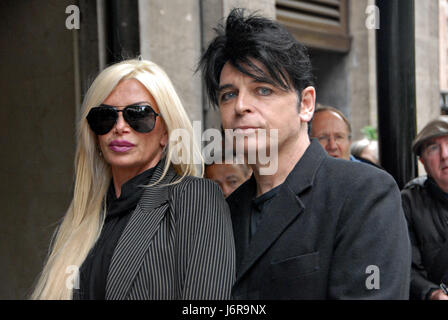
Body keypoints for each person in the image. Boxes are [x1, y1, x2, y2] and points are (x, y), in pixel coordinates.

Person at [199, 8, 411, 299]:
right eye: (228, 95)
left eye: (263, 90)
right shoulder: (225, 211)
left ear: (306, 104)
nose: (240, 106)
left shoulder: (363, 193)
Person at [31, 59, 235, 300]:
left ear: (166, 133)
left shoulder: (195, 197)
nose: (119, 127)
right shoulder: (82, 220)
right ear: (94, 135)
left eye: (138, 115)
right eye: (105, 117)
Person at [402, 116, 448, 300]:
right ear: (422, 162)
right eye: (433, 148)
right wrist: (431, 293)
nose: (445, 154)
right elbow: (404, 266)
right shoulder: (409, 201)